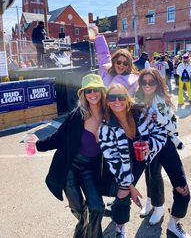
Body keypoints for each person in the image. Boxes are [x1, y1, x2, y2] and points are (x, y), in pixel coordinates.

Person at [26, 74, 106, 238]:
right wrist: (38, 144)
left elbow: (127, 115)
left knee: (97, 207)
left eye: (96, 89)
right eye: (88, 90)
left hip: (89, 169)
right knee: (78, 209)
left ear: (102, 91)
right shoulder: (77, 115)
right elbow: (58, 137)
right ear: (83, 94)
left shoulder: (109, 115)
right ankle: (82, 226)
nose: (93, 94)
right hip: (69, 168)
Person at [99, 83, 168, 238]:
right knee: (123, 194)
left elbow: (161, 131)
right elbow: (113, 161)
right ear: (107, 102)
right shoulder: (105, 127)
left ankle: (157, 207)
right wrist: (130, 186)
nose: (117, 101)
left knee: (155, 178)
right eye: (112, 98)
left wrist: (151, 146)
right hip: (124, 164)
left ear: (127, 98)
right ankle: (119, 228)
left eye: (121, 97)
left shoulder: (141, 113)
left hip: (146, 156)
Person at [136, 68, 191, 238]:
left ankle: (174, 223)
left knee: (182, 188)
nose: (147, 85)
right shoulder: (136, 100)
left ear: (158, 83)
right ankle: (153, 204)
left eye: (151, 82)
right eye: (143, 82)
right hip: (145, 145)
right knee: (151, 176)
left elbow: (174, 127)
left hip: (165, 144)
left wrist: (160, 118)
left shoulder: (164, 101)